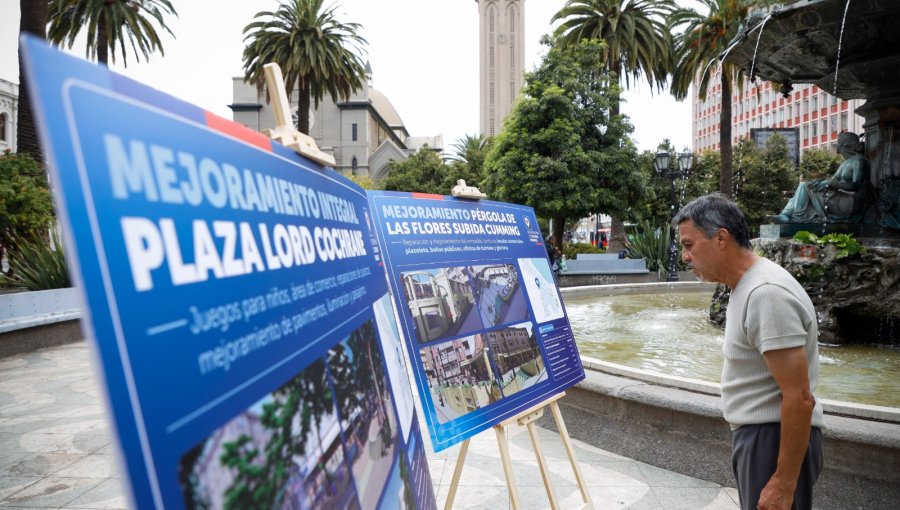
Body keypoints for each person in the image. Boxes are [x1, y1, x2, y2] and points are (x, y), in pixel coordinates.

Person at [673, 193, 825, 510]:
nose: (685, 257)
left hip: (772, 439)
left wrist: (784, 483)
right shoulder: (747, 285)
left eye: (689, 245)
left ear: (721, 238)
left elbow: (799, 398)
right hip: (763, 437)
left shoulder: (765, 293)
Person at [772, 132, 870, 223]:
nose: (837, 144)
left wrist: (832, 184)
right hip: (839, 197)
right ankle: (786, 214)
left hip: (850, 202)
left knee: (804, 186)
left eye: (838, 142)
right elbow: (833, 181)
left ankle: (797, 217)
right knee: (804, 188)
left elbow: (857, 186)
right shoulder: (845, 162)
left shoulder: (859, 161)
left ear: (845, 145)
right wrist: (820, 182)